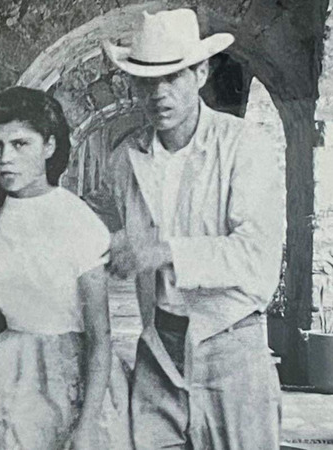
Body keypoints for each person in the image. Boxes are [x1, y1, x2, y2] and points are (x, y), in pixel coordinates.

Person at [85, 8, 285, 450]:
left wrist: (164, 251)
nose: (159, 93)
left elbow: (257, 258)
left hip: (231, 344)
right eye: (146, 81)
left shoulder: (244, 147)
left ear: (200, 73)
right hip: (158, 347)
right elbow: (100, 225)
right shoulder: (126, 159)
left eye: (172, 77)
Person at [0, 87, 132, 450]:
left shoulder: (76, 219)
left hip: (67, 377)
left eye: (20, 144)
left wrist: (87, 425)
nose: (5, 158)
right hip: (7, 369)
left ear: (49, 146)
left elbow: (100, 336)